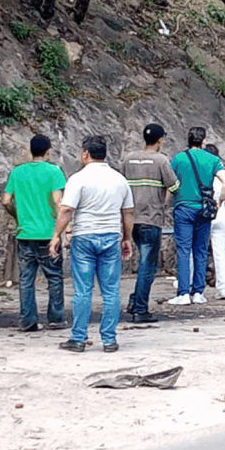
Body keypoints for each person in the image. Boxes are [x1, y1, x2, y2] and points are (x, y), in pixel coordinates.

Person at [50, 136, 134, 353]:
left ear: (85, 153)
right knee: (111, 290)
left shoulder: (78, 179)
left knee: (83, 291)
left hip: (84, 237)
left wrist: (56, 235)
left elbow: (67, 209)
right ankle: (109, 340)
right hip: (110, 237)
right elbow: (128, 213)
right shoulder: (120, 180)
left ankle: (78, 338)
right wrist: (126, 238)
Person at [1, 134, 67, 332]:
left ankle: (28, 321)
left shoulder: (17, 172)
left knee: (26, 279)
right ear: (48, 151)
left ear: (31, 150)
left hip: (25, 233)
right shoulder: (54, 171)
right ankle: (55, 319)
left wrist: (17, 216)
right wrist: (64, 229)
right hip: (48, 233)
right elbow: (58, 201)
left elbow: (5, 200)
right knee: (54, 277)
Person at [121, 123, 180, 323]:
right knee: (148, 266)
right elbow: (174, 185)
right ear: (160, 140)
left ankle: (134, 300)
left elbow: (121, 186)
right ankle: (140, 308)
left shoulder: (128, 159)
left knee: (143, 262)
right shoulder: (161, 160)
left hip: (129, 220)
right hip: (151, 219)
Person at [169, 127, 225, 306]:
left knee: (184, 250)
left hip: (183, 207)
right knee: (201, 251)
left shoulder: (178, 158)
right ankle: (198, 292)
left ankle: (183, 293)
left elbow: (170, 182)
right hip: (204, 209)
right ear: (203, 140)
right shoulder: (212, 159)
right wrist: (219, 202)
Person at [205, 144, 225, 300]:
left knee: (199, 251)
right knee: (220, 252)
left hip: (204, 213)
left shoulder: (203, 172)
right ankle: (222, 288)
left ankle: (195, 287)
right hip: (221, 213)